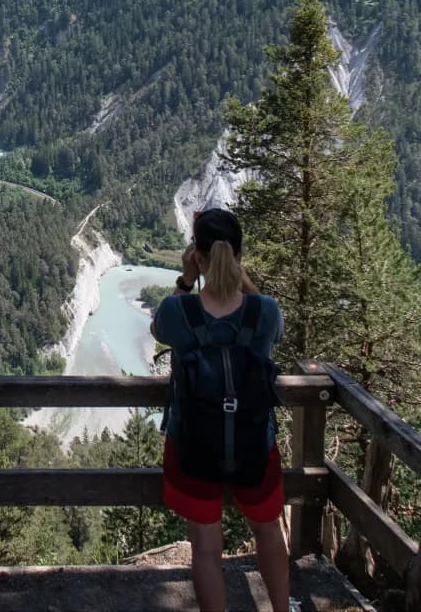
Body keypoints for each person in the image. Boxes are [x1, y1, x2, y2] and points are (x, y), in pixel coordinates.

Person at [151, 207, 290, 612]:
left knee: (207, 550)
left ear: (198, 254)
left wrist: (186, 281)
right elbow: (272, 326)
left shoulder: (182, 312)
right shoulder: (264, 312)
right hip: (254, 444)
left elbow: (159, 328)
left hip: (193, 444)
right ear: (239, 254)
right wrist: (243, 280)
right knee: (268, 533)